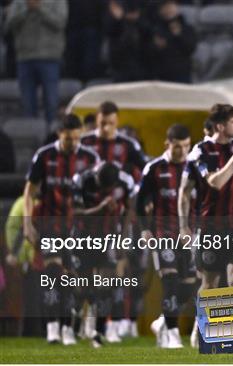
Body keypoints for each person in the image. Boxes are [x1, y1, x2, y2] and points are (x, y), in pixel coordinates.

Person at [178, 104, 233, 344]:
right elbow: (215, 182)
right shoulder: (200, 151)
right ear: (219, 126)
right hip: (209, 227)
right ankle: (201, 327)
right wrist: (184, 227)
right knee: (211, 283)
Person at [23, 114, 99, 345]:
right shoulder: (45, 156)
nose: (73, 144)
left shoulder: (90, 158)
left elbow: (95, 195)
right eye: (68, 139)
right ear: (60, 135)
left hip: (78, 229)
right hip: (50, 224)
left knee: (72, 280)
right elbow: (29, 191)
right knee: (53, 273)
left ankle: (68, 327)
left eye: (77, 139)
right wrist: (27, 222)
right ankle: (53, 327)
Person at [137, 124, 192, 349]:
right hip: (163, 233)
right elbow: (140, 201)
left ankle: (162, 321)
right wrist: (145, 229)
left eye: (187, 146)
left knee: (188, 285)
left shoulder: (194, 166)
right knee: (169, 280)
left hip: (188, 234)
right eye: (178, 146)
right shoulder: (154, 168)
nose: (183, 151)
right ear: (167, 144)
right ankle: (172, 333)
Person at [72, 162, 135, 348]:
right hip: (83, 236)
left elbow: (128, 213)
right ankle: (77, 322)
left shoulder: (125, 183)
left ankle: (98, 333)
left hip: (109, 237)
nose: (105, 190)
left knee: (106, 284)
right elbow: (75, 212)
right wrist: (100, 208)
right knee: (83, 287)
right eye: (102, 186)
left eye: (109, 188)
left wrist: (122, 242)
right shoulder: (82, 180)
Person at [4, 0, 68, 124]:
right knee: (27, 105)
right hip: (24, 57)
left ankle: (51, 137)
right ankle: (31, 137)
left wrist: (39, 8)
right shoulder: (19, 2)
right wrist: (27, 9)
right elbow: (9, 25)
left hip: (50, 57)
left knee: (51, 103)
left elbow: (60, 23)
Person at [148, 0, 197, 83]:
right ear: (160, 10)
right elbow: (148, 53)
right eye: (165, 7)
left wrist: (178, 35)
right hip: (162, 75)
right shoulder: (156, 29)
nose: (168, 9)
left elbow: (190, 48)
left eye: (171, 6)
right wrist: (157, 46)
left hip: (182, 74)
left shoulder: (186, 28)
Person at [105, 0, 150, 82]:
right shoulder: (115, 5)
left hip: (141, 63)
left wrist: (137, 19)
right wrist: (119, 18)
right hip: (120, 64)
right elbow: (108, 31)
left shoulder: (144, 6)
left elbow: (149, 31)